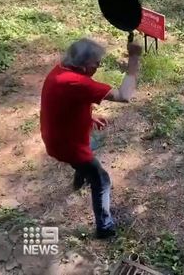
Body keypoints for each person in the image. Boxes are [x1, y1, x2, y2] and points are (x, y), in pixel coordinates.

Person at [39, 38, 143, 239]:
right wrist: (134, 58)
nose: (98, 66)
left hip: (56, 136)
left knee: (92, 145)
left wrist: (88, 116)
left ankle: (80, 176)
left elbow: (63, 105)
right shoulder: (77, 83)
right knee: (102, 180)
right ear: (85, 66)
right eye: (96, 63)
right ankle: (105, 227)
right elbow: (124, 95)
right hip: (68, 146)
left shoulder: (59, 72)